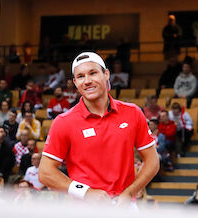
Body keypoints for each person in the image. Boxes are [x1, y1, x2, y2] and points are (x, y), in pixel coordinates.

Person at [39, 52, 159, 205]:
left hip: (124, 208)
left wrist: (130, 192)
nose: (87, 81)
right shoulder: (63, 122)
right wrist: (85, 192)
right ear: (75, 83)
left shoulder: (133, 113)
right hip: (84, 212)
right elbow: (45, 173)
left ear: (106, 74)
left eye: (93, 73)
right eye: (81, 76)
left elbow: (153, 161)